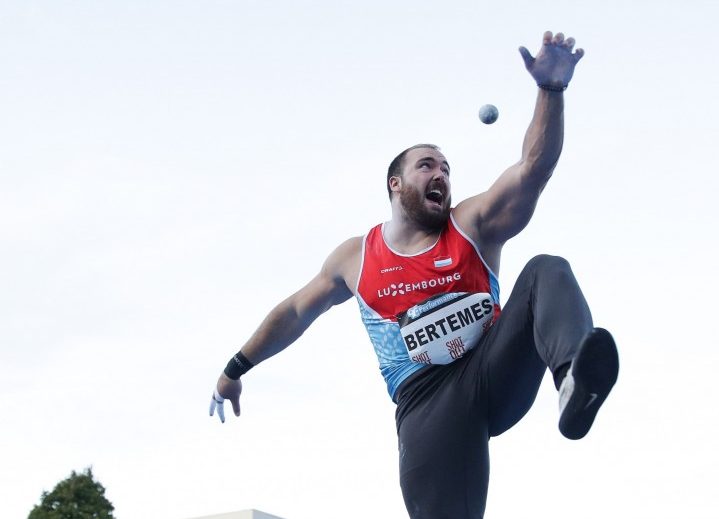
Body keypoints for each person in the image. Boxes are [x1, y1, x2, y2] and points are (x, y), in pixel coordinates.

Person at [207, 31, 618, 518]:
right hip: (427, 402)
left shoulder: (472, 224)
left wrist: (551, 92)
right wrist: (236, 368)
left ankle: (574, 380)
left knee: (547, 270)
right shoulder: (355, 258)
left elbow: (533, 168)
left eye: (446, 168)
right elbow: (296, 311)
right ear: (395, 183)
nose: (441, 174)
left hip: (492, 368)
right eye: (427, 165)